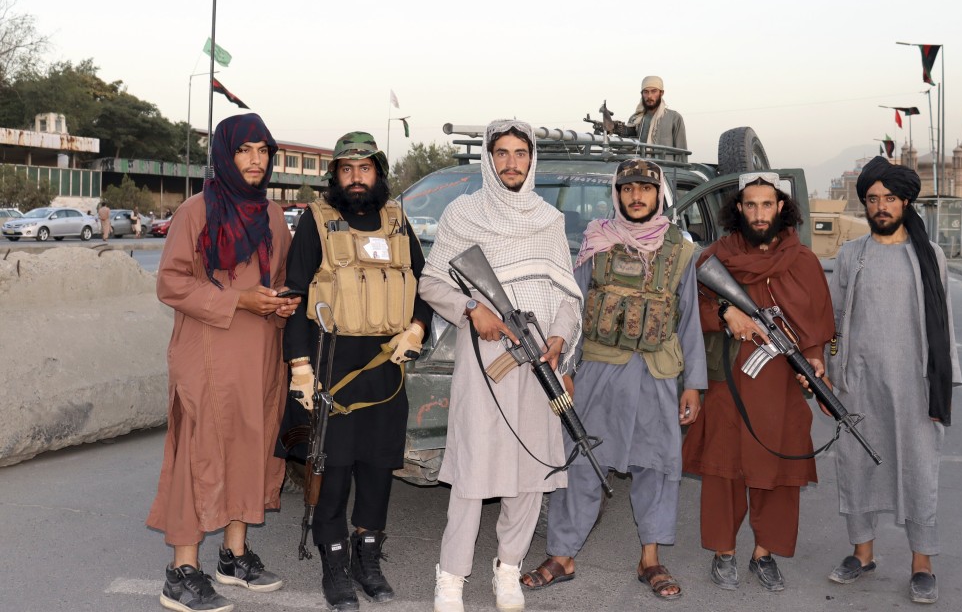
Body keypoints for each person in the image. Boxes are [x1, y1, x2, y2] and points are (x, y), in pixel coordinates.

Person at [521, 159, 707, 600]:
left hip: (657, 374)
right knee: (581, 461)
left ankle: (650, 559)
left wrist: (694, 384)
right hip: (599, 372)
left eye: (645, 188)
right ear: (617, 195)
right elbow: (574, 308)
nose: (636, 196)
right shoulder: (597, 242)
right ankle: (562, 555)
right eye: (627, 188)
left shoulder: (680, 250)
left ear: (659, 194)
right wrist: (567, 370)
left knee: (657, 467)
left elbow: (690, 321)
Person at [420, 119, 583, 612]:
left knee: (531, 473)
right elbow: (431, 282)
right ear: (489, 160)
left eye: (520, 153)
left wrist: (559, 338)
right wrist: (473, 309)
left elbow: (566, 295)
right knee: (474, 470)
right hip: (485, 361)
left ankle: (508, 568)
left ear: (532, 160)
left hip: (539, 362)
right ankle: (452, 575)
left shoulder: (548, 220)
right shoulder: (463, 213)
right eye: (502, 153)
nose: (512, 163)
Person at [146, 113, 301, 612]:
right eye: (244, 150)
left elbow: (277, 277)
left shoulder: (272, 215)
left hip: (260, 355)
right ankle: (181, 571)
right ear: (224, 155)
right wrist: (239, 300)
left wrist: (280, 302)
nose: (256, 160)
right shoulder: (196, 211)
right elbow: (171, 283)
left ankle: (234, 557)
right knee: (198, 452)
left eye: (263, 151)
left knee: (250, 447)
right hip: (207, 352)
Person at [281, 132, 433, 611]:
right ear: (336, 176)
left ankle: (368, 558)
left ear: (378, 173)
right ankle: (335, 563)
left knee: (378, 468)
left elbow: (425, 285)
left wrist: (418, 327)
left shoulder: (397, 222)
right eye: (346, 170)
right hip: (332, 364)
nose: (356, 178)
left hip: (386, 366)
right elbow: (295, 297)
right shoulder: (316, 222)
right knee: (333, 469)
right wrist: (299, 366)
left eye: (364, 168)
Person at [682, 171, 834, 593]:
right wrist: (725, 313)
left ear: (781, 207)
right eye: (751, 205)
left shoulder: (802, 260)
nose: (760, 213)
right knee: (724, 471)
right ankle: (724, 552)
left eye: (767, 204)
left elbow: (817, 321)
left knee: (779, 473)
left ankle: (763, 554)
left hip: (782, 389)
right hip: (728, 385)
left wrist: (815, 361)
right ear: (739, 208)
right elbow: (688, 307)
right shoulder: (716, 256)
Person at [824, 157, 961, 605]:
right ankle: (862, 554)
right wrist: (831, 380)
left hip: (915, 386)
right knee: (857, 466)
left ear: (905, 202)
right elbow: (834, 324)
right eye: (872, 199)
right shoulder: (851, 255)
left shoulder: (930, 256)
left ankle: (922, 564)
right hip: (859, 383)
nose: (880, 206)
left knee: (919, 469)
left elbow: (944, 326)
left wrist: (943, 388)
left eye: (888, 198)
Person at [613, 76, 687, 150]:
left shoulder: (674, 118)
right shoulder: (635, 119)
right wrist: (618, 129)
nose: (649, 96)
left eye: (654, 91)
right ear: (642, 94)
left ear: (661, 93)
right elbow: (627, 146)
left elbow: (681, 151)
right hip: (641, 158)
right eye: (646, 92)